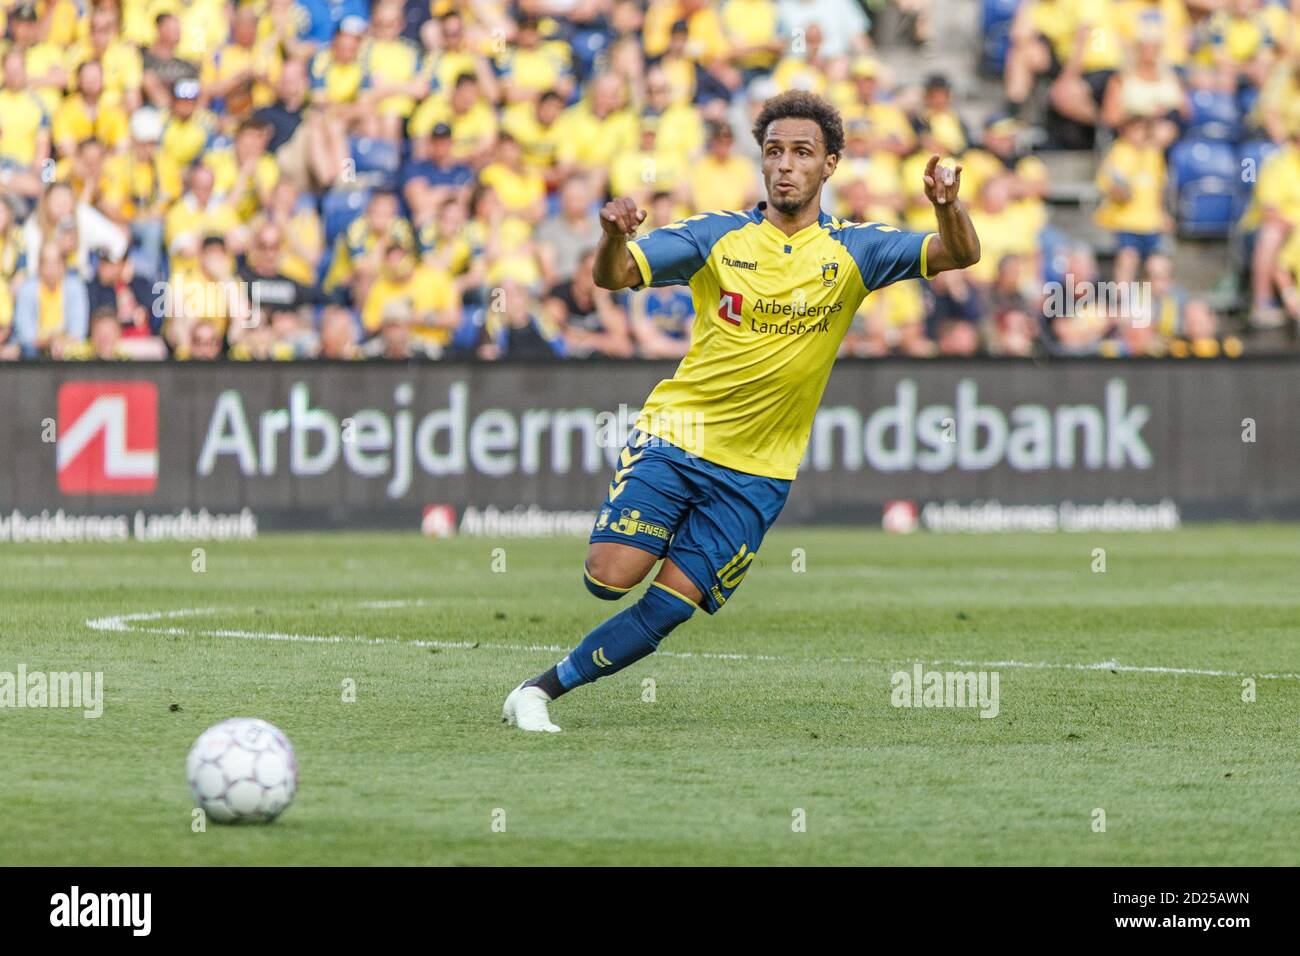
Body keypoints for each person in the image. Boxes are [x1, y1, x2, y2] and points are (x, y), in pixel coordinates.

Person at [501, 89, 980, 732]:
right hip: (680, 435)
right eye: (774, 151)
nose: (785, 165)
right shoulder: (715, 237)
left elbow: (960, 254)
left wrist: (947, 206)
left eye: (802, 153)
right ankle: (662, 520)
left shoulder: (857, 251)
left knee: (671, 606)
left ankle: (536, 692)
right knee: (609, 578)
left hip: (760, 472)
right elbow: (615, 278)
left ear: (830, 165)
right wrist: (613, 237)